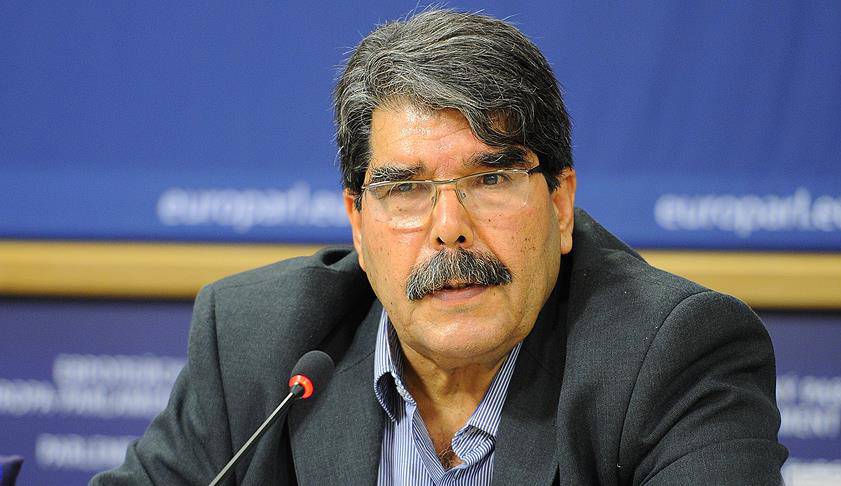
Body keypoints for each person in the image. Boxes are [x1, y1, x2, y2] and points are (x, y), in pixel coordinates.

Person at [92, 9, 787, 485]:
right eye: (405, 189)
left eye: (491, 178)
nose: (449, 225)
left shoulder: (673, 354)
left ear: (560, 204)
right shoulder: (257, 347)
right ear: (358, 224)